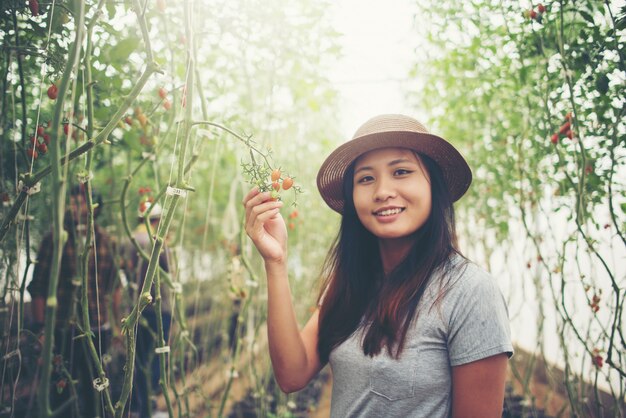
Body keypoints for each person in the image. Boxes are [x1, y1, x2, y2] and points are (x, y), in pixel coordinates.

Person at [243, 114, 513, 417]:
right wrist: (275, 262)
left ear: (433, 186)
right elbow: (292, 374)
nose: (382, 191)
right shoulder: (350, 283)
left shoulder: (470, 292)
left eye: (401, 171)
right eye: (366, 178)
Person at [28, 184, 120, 417]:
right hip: (62, 329)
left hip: (98, 328)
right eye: (73, 202)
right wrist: (41, 329)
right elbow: (38, 287)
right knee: (62, 389)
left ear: (93, 208)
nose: (75, 207)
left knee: (97, 389)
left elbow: (115, 285)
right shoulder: (56, 239)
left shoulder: (106, 241)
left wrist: (115, 323)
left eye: (81, 202)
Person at [123, 202, 173, 418]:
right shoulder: (158, 241)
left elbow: (124, 270)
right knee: (155, 360)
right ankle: (148, 408)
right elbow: (167, 273)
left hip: (134, 309)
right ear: (156, 221)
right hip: (157, 309)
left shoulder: (128, 240)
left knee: (138, 359)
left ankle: (137, 407)